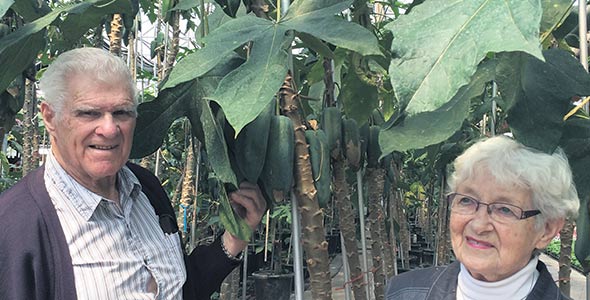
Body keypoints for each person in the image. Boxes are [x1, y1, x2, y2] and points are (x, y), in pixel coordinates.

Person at [0, 47, 267, 300]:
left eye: (122, 112)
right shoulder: (17, 224)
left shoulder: (145, 188)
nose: (109, 129)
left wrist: (233, 239)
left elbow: (179, 291)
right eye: (89, 113)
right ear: (49, 117)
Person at [386, 135, 580, 300]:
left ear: (546, 229)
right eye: (467, 201)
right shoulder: (403, 292)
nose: (479, 225)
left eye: (504, 209)